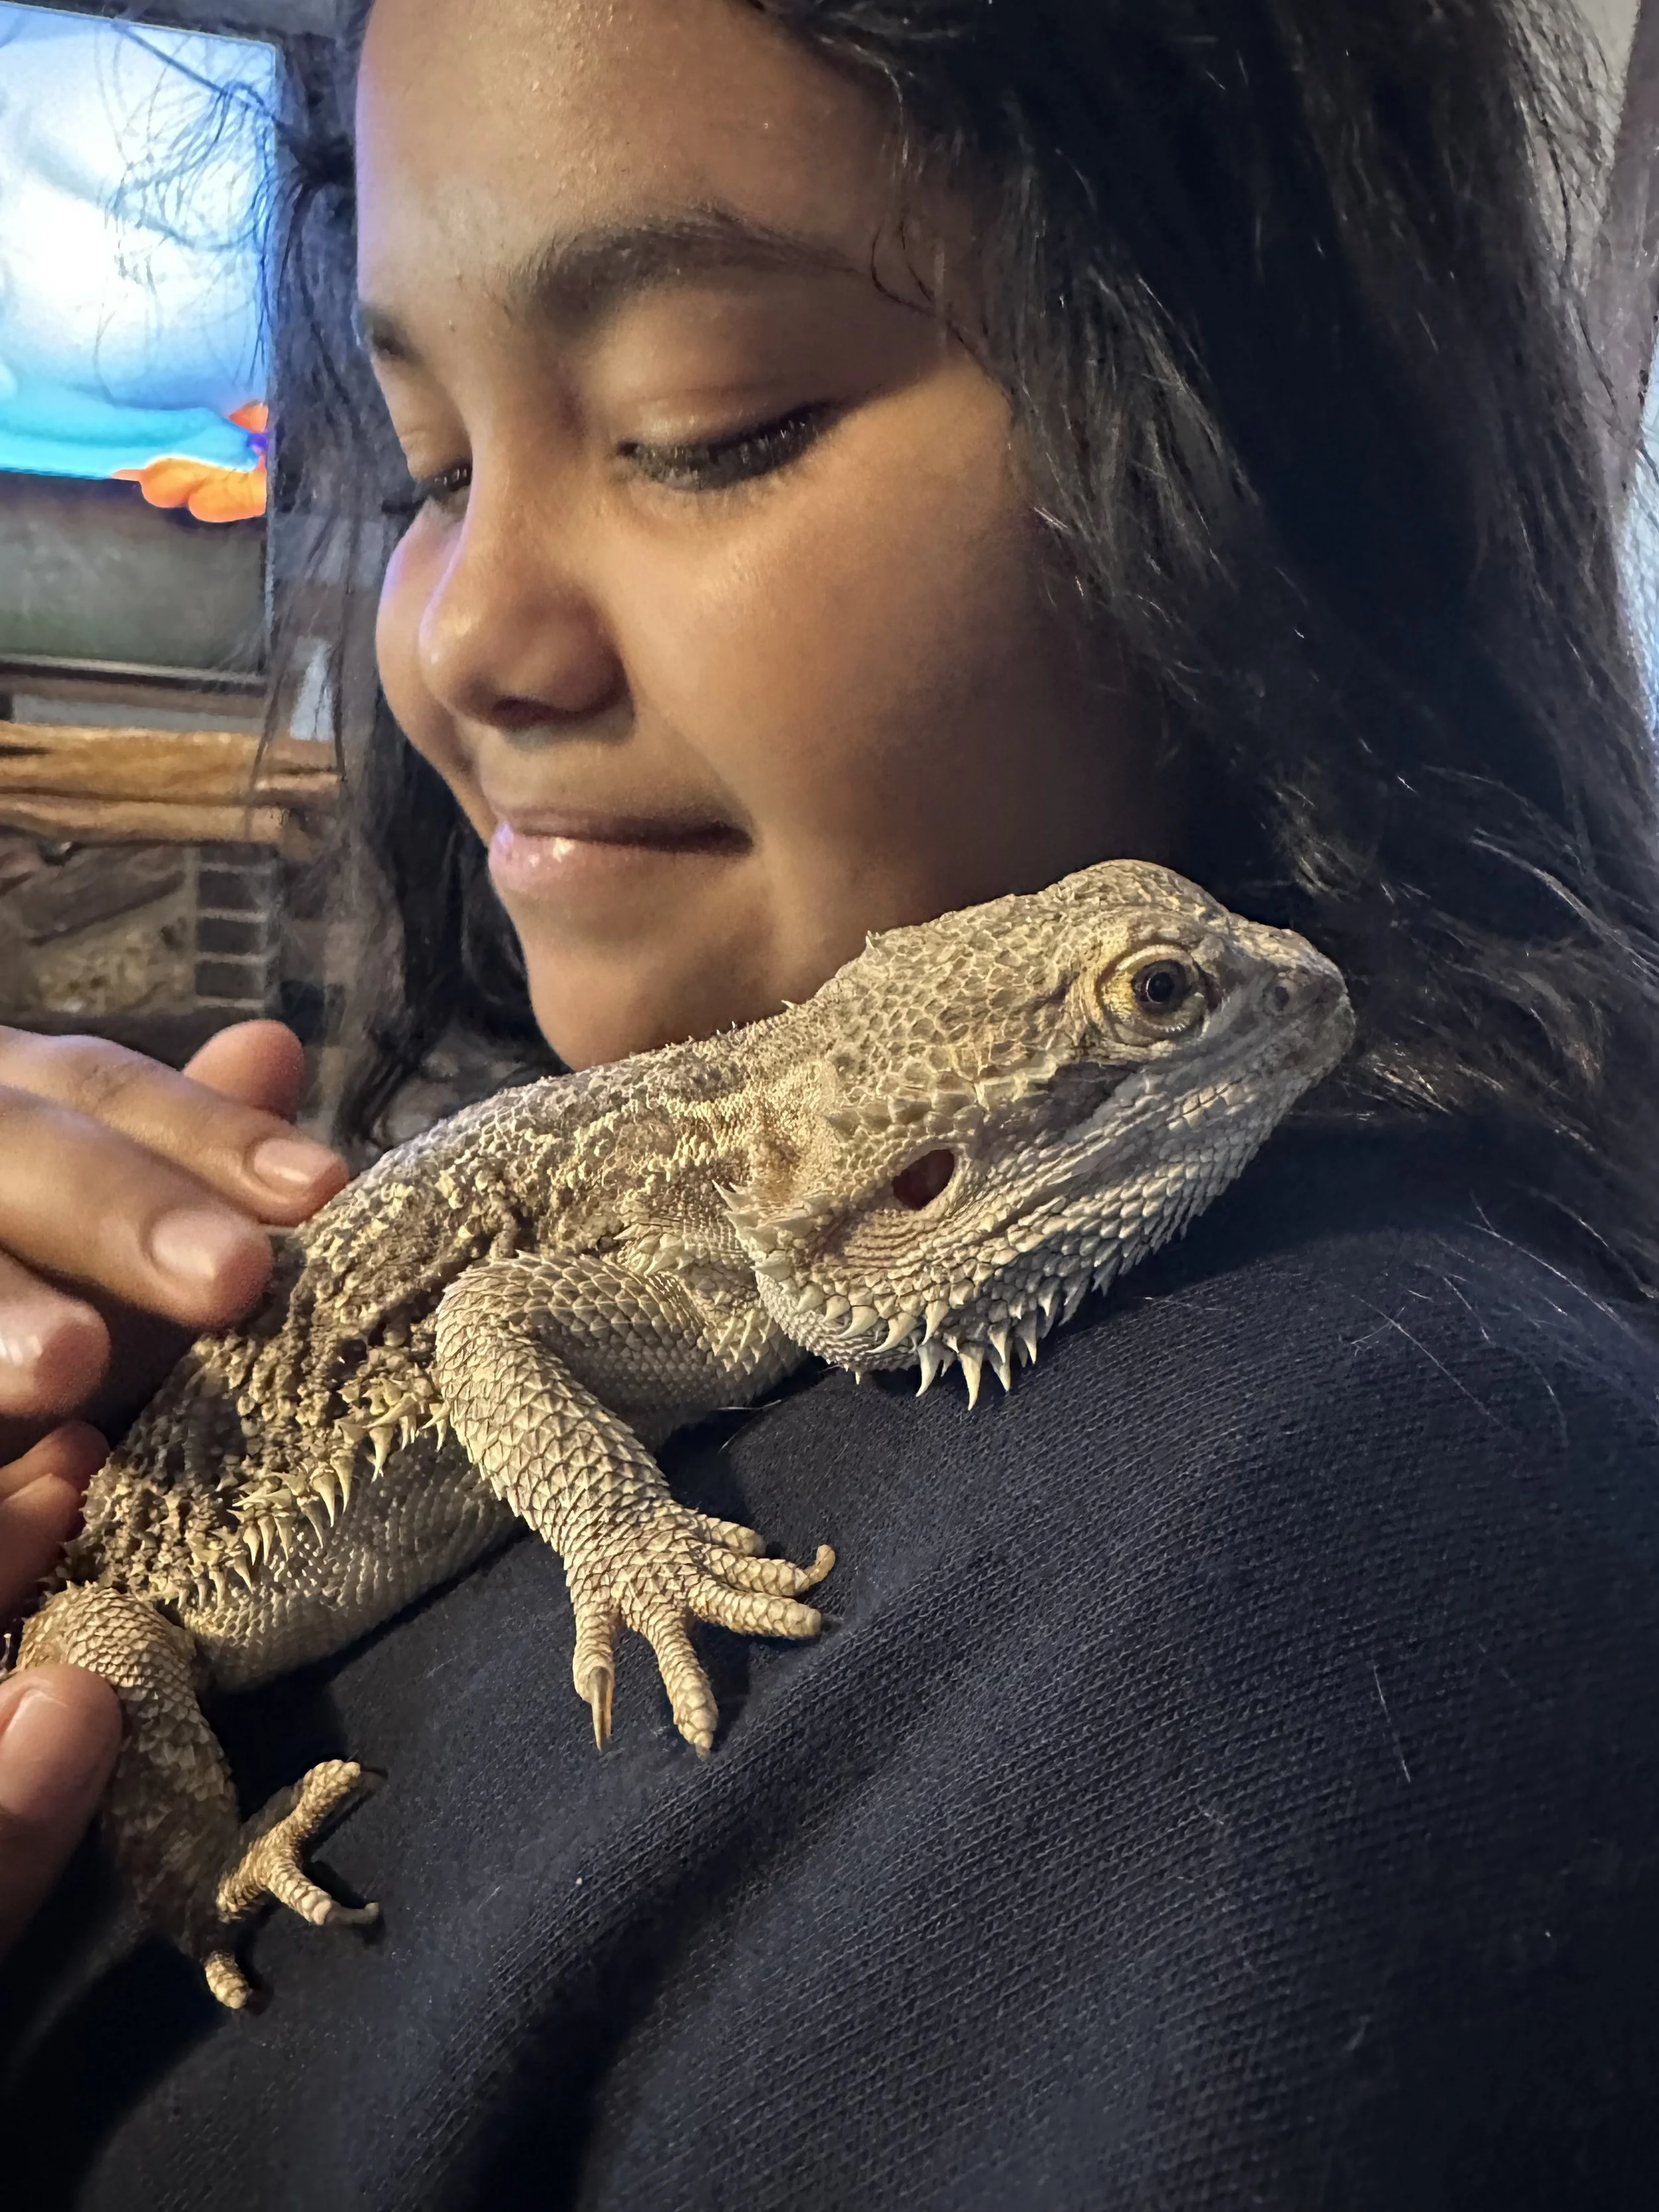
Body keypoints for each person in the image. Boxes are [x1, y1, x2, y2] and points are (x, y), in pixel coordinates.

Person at [3, 0, 1659, 2201]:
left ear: (1236, 440)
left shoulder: (1368, 1524)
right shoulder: (696, 1172)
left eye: (711, 421)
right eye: (422, 469)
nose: (458, 636)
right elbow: (485, 1329)